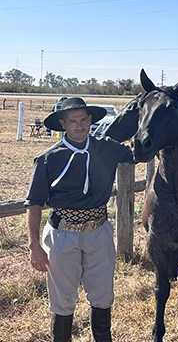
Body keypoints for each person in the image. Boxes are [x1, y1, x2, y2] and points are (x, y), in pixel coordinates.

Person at [25, 97, 134, 342]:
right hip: (62, 235)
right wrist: (34, 246)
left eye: (84, 119)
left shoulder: (107, 147)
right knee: (63, 299)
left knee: (103, 295)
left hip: (98, 232)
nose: (80, 125)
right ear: (63, 124)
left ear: (90, 120)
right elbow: (33, 204)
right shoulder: (48, 159)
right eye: (73, 121)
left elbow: (139, 153)